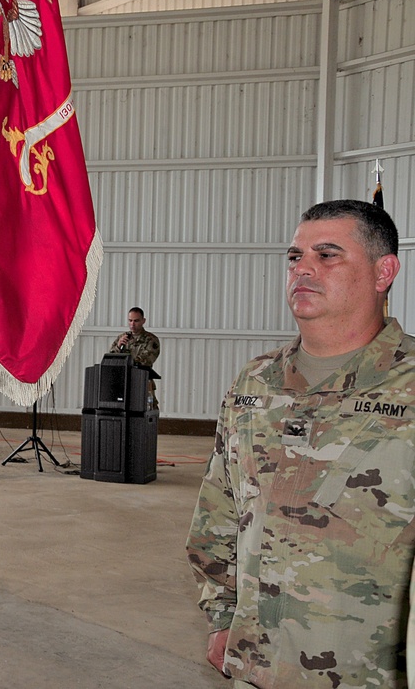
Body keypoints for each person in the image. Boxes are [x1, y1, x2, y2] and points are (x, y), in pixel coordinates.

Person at [187, 199, 415, 688]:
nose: (303, 268)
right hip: (256, 662)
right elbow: (219, 508)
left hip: (368, 670)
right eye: (295, 257)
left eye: (327, 255)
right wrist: (223, 616)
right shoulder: (256, 381)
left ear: (384, 272)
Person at [109, 306, 161, 408]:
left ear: (143, 321)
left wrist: (128, 362)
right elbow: (111, 358)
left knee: (145, 411)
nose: (132, 324)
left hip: (142, 381)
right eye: (130, 320)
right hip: (122, 382)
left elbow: (146, 360)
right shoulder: (122, 337)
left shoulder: (151, 339)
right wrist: (118, 347)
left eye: (136, 321)